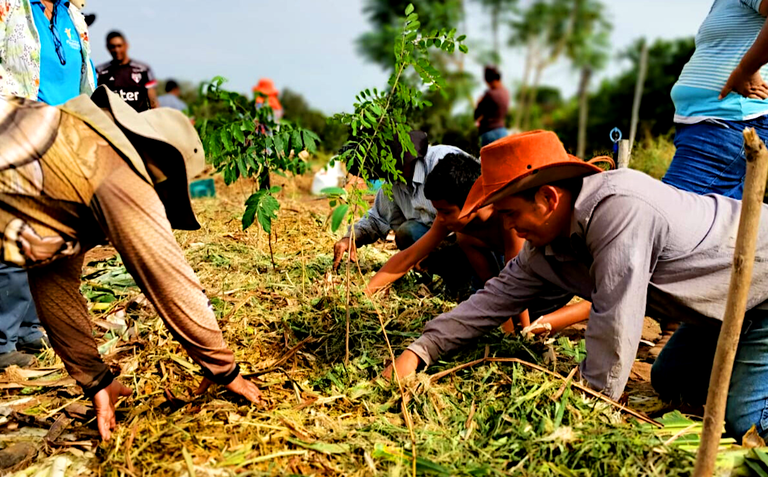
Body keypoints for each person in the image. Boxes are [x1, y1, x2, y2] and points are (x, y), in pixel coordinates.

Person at [386, 130, 768, 441]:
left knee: (744, 422)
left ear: (548, 198)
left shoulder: (620, 209)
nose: (507, 228)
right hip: (716, 312)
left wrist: (583, 414)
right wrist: (420, 351)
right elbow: (491, 301)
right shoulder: (543, 248)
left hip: (761, 294)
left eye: (510, 214)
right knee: (669, 381)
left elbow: (615, 322)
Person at [0, 86, 262, 440]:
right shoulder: (116, 169)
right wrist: (225, 369)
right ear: (161, 168)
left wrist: (96, 379)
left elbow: (54, 286)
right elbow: (169, 279)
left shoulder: (75, 152)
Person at [0, 0, 98, 370]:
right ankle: (2, 339)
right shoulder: (10, 8)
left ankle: (31, 327)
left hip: (65, 141)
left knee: (49, 235)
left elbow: (85, 81)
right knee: (13, 237)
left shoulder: (71, 14)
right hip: (17, 135)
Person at [663, 0, 768, 200]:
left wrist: (746, 70)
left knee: (669, 216)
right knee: (718, 225)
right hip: (706, 127)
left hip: (728, 125)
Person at [96, 30, 158, 112]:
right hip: (113, 122)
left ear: (126, 45)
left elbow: (153, 102)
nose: (116, 50)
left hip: (139, 120)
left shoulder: (143, 69)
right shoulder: (100, 72)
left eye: (119, 46)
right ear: (107, 48)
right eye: (112, 47)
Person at [474, 65, 509, 148]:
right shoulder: (506, 93)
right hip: (502, 131)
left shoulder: (489, 94)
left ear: (488, 80)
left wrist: (479, 102)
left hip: (489, 132)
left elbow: (477, 114)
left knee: (488, 160)